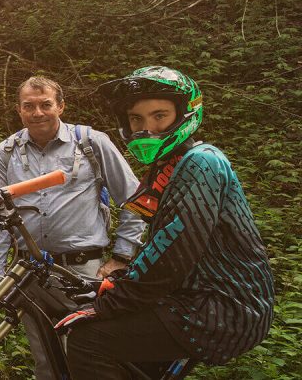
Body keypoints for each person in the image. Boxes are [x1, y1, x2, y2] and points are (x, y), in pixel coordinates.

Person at [59, 66, 273, 378]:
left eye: (159, 116)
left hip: (224, 308)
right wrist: (121, 282)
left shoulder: (201, 162)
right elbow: (162, 245)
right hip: (199, 298)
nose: (147, 128)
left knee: (87, 340)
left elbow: (174, 250)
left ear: (184, 115)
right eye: (137, 119)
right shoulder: (171, 165)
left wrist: (113, 301)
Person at [0, 75, 145, 380]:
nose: (37, 112)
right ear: (19, 110)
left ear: (61, 106)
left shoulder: (90, 142)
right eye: (28, 106)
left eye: (45, 104)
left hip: (83, 271)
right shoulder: (5, 152)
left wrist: (122, 257)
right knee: (45, 359)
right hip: (31, 273)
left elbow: (134, 199)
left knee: (88, 356)